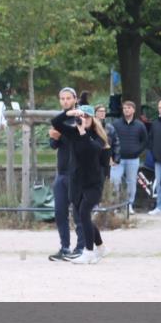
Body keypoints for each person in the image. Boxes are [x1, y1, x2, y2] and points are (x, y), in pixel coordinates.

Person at [51, 105, 111, 265]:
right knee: (82, 216)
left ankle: (88, 252)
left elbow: (92, 150)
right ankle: (101, 247)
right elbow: (55, 122)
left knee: (84, 213)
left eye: (87, 117)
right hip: (76, 181)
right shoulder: (73, 133)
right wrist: (69, 113)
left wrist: (83, 131)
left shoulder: (99, 137)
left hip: (93, 183)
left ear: (93, 119)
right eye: (81, 116)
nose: (83, 119)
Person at [47, 87, 85, 261]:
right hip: (61, 173)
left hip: (77, 173)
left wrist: (61, 134)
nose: (65, 102)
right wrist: (54, 137)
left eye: (68, 98)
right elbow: (53, 145)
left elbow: (80, 140)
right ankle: (65, 247)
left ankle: (82, 247)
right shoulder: (59, 120)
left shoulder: (81, 118)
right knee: (60, 211)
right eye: (62, 99)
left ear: (75, 99)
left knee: (78, 212)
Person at [109, 100, 147, 215]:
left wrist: (137, 151)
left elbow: (144, 141)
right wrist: (111, 157)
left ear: (134, 110)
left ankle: (129, 205)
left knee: (131, 183)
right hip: (117, 160)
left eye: (129, 108)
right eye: (125, 108)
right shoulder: (116, 124)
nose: (126, 110)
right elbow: (110, 141)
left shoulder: (140, 125)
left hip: (133, 160)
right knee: (114, 181)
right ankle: (116, 205)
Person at [95, 104, 120, 180]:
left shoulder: (109, 127)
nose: (102, 113)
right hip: (94, 159)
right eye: (100, 111)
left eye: (104, 111)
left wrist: (116, 158)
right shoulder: (91, 126)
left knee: (106, 181)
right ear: (95, 113)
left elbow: (116, 143)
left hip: (107, 159)